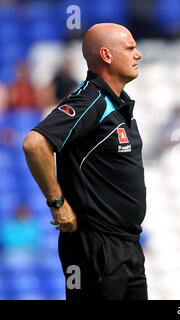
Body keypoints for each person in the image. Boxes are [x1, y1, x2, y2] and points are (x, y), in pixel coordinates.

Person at [22, 23, 147, 300]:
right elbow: (34, 144)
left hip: (127, 248)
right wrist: (57, 203)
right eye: (129, 48)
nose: (138, 54)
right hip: (95, 247)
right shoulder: (90, 100)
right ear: (106, 55)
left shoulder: (117, 103)